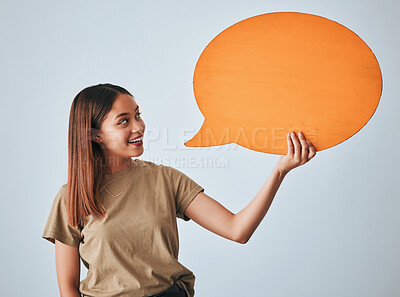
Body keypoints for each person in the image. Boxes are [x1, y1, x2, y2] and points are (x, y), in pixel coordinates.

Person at [42, 83, 317, 297]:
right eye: (123, 120)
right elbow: (68, 288)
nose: (139, 126)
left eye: (137, 115)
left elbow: (237, 230)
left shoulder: (165, 179)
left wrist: (279, 170)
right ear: (95, 134)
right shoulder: (71, 197)